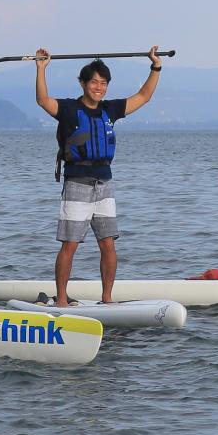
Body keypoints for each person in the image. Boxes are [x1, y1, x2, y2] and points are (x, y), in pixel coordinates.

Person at [35, 45, 164, 306]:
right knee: (70, 245)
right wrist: (41, 69)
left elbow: (143, 97)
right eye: (94, 82)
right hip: (77, 183)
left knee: (108, 244)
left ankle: (107, 299)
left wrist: (156, 67)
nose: (99, 87)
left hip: (104, 184)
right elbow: (43, 101)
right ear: (83, 83)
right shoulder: (69, 110)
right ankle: (61, 299)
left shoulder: (110, 110)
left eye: (103, 83)